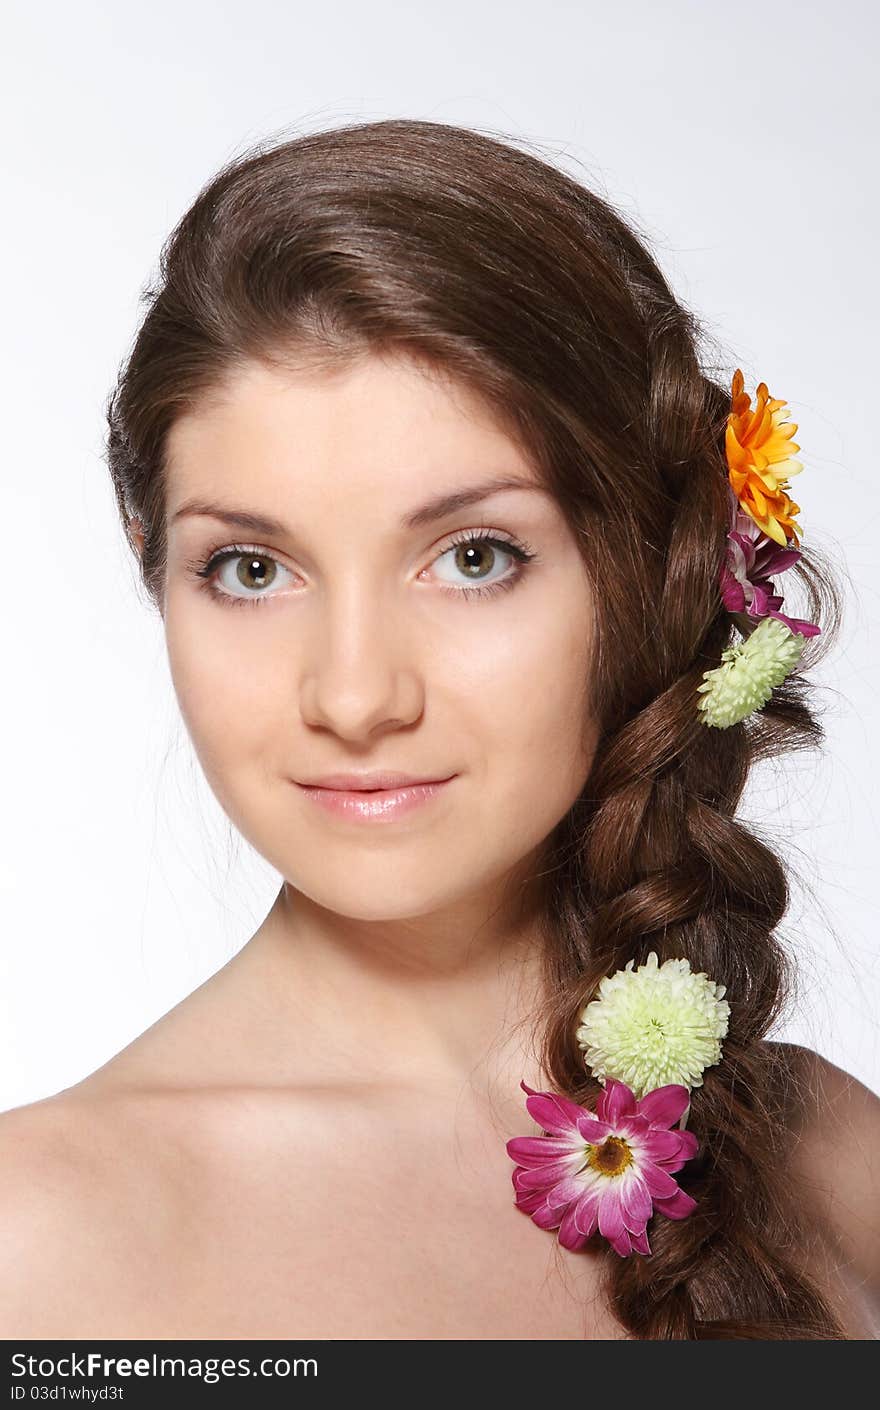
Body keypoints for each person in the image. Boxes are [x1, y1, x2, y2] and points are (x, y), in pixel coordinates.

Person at [1, 118, 877, 1341]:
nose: (355, 698)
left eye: (472, 557)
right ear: (157, 576)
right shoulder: (34, 1242)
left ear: (645, 573)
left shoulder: (829, 1158)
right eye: (251, 570)